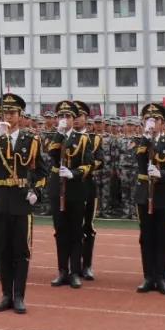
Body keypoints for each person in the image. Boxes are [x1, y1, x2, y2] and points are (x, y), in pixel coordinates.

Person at [0, 93, 41, 314]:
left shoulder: (31, 140)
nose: (9, 116)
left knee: (21, 251)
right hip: (0, 200)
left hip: (21, 200)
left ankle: (19, 295)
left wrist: (36, 191)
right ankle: (5, 294)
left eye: (13, 113)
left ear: (21, 115)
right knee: (2, 249)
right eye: (6, 113)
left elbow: (41, 171)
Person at [133, 103, 165, 295]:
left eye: (156, 120)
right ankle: (148, 276)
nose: (152, 123)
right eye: (148, 120)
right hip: (144, 194)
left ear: (164, 123)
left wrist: (162, 174)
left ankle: (161, 276)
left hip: (164, 194)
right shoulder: (140, 142)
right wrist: (146, 138)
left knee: (163, 237)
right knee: (146, 237)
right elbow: (139, 162)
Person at [46, 101, 93, 289]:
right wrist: (59, 131)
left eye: (68, 117)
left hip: (75, 188)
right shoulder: (55, 137)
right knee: (60, 231)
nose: (64, 120)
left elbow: (88, 164)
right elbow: (52, 154)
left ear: (74, 119)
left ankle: (74, 272)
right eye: (61, 116)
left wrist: (74, 173)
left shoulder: (83, 139)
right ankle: (62, 271)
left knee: (75, 231)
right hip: (58, 187)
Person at [76, 101, 103, 280]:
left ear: (86, 118)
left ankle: (86, 266)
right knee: (70, 228)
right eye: (73, 116)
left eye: (79, 116)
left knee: (87, 226)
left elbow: (99, 161)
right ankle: (71, 266)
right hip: (67, 188)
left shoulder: (95, 139)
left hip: (86, 185)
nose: (76, 120)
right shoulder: (62, 138)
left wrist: (83, 168)